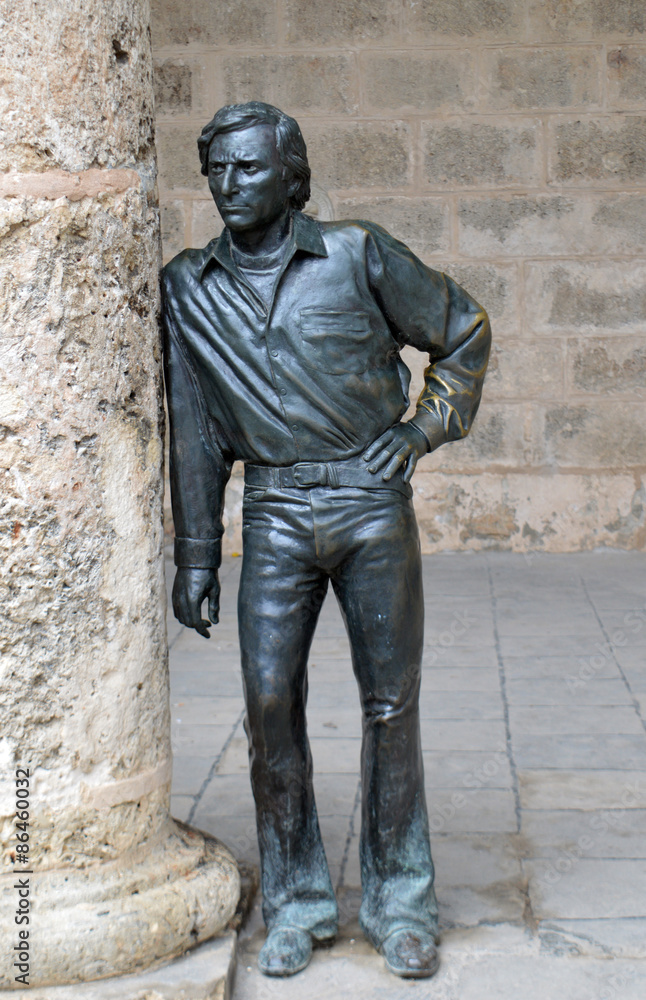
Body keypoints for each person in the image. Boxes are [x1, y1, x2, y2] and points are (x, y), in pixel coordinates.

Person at [161, 101, 491, 980]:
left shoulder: (356, 253)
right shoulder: (187, 288)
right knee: (270, 706)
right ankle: (298, 903)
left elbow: (463, 334)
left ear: (292, 176)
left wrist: (419, 434)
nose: (228, 185)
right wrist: (196, 554)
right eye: (217, 170)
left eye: (248, 168)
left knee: (391, 702)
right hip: (272, 514)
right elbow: (193, 430)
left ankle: (401, 901)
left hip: (369, 503)